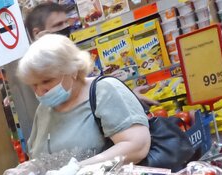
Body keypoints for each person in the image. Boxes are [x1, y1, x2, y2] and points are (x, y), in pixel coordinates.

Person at [17, 34, 150, 164]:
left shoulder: (104, 90)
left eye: (47, 81)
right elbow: (36, 156)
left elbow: (137, 146)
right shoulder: (44, 109)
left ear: (73, 70)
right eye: (34, 84)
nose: (40, 91)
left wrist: (78, 169)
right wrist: (26, 173)